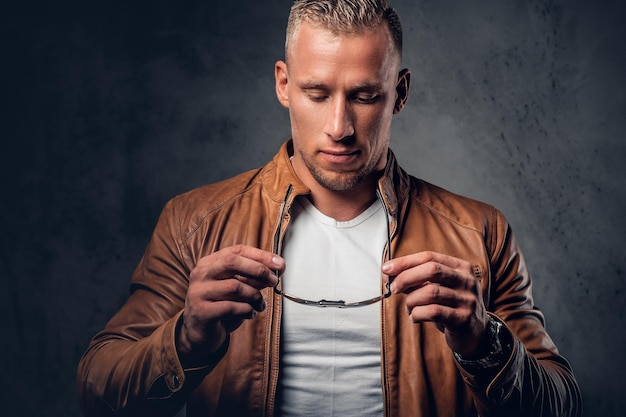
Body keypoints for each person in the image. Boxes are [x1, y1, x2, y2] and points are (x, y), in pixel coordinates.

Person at [77, 1, 582, 416]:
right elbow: (99, 389)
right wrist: (185, 339)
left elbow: (562, 405)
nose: (339, 126)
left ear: (399, 93)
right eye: (317, 93)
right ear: (283, 85)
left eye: (364, 95)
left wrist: (484, 341)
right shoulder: (195, 221)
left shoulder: (479, 232)